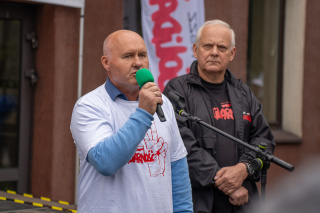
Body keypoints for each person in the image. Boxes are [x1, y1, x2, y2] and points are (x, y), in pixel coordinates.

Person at [70, 30, 193, 213]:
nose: (138, 62)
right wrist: (143, 112)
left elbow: (178, 170)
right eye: (128, 56)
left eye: (142, 55)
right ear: (106, 62)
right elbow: (106, 162)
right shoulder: (89, 106)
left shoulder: (163, 102)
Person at [163, 19, 275, 213]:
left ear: (231, 53)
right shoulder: (176, 90)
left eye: (222, 47)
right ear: (196, 50)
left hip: (243, 201)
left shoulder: (243, 93)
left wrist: (243, 168)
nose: (214, 52)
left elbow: (263, 138)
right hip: (198, 201)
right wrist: (227, 183)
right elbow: (180, 144)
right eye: (208, 46)